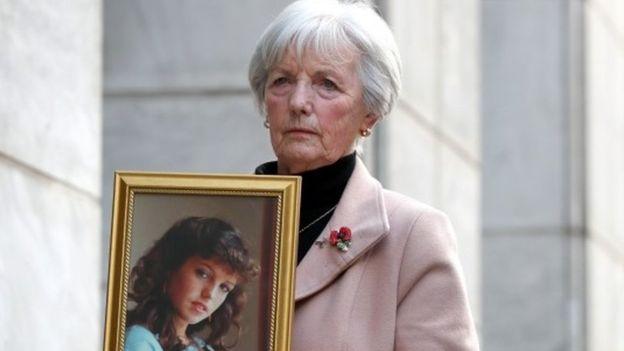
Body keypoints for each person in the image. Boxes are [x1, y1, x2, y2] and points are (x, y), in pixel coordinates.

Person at [249, 0, 480, 350]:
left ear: (369, 115)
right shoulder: (218, 222)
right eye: (282, 81)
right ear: (266, 102)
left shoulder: (412, 237)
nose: (298, 102)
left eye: (326, 84)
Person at [125, 217, 259, 351]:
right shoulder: (139, 341)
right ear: (170, 267)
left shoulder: (201, 347)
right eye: (203, 274)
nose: (210, 294)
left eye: (224, 287)